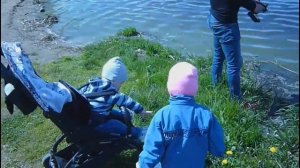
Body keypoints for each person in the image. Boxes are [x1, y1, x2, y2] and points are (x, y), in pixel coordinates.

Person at [136, 62, 225, 168]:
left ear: (169, 87)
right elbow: (218, 149)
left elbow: (151, 152)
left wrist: (141, 165)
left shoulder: (162, 116)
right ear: (195, 89)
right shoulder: (206, 115)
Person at [207, 0, 267, 100]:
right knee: (234, 65)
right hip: (226, 27)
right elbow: (255, 8)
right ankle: (236, 99)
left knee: (218, 56)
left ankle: (216, 87)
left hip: (213, 18)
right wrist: (263, 7)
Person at [79, 56, 151, 139]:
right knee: (116, 126)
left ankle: (127, 116)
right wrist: (142, 111)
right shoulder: (111, 93)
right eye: (120, 83)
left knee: (115, 113)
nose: (121, 86)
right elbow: (127, 100)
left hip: (87, 115)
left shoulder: (91, 84)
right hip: (97, 124)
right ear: (113, 80)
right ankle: (139, 133)